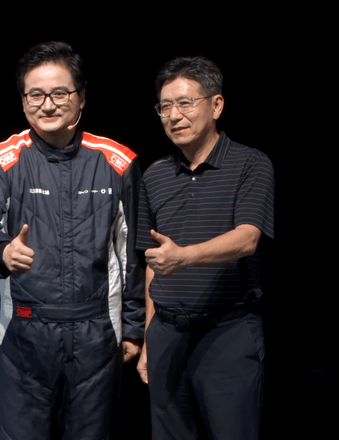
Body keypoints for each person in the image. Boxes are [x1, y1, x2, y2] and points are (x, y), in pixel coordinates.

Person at [0, 41, 144, 440]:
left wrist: (132, 328)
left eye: (59, 93)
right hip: (24, 332)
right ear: (23, 100)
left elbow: (131, 252)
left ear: (81, 97)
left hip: (97, 333)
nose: (47, 105)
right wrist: (1, 250)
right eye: (36, 95)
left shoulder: (118, 162)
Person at [135, 56, 275, 440]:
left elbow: (247, 238)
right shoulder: (155, 175)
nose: (173, 116)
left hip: (227, 332)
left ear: (216, 105)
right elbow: (153, 262)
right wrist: (148, 338)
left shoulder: (250, 164)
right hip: (166, 333)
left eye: (185, 103)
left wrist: (184, 256)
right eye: (165, 106)